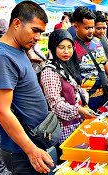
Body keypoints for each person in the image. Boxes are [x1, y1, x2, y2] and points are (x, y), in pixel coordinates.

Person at [0, 1, 54, 175]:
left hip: (35, 141)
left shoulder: (19, 49)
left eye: (41, 32)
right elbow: (2, 111)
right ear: (16, 23)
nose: (38, 37)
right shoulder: (1, 57)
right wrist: (31, 151)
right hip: (22, 151)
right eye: (35, 30)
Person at [41, 29, 95, 163]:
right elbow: (56, 105)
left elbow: (75, 87)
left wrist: (83, 94)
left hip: (76, 125)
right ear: (53, 48)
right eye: (61, 47)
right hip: (63, 131)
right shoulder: (49, 72)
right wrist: (78, 110)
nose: (67, 51)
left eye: (70, 47)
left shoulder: (66, 65)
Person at [73, 7, 108, 111]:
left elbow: (104, 62)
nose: (91, 31)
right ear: (76, 27)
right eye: (87, 28)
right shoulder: (71, 47)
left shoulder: (97, 41)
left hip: (104, 93)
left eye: (92, 27)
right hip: (87, 98)